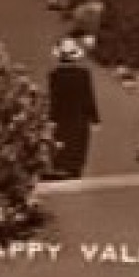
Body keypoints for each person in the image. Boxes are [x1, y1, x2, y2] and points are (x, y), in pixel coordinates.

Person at [46, 36, 99, 179]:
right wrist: (95, 118)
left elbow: (54, 99)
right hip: (80, 117)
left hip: (62, 116)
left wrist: (51, 118)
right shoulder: (83, 74)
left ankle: (63, 168)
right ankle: (75, 169)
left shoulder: (54, 75)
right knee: (78, 143)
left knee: (63, 141)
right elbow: (88, 97)